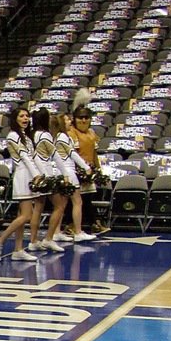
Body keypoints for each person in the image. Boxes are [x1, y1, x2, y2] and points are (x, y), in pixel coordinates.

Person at [0, 106, 42, 262]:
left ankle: (18, 249)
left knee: (22, 214)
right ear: (15, 119)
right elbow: (25, 157)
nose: (25, 118)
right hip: (22, 175)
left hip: (29, 175)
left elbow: (32, 157)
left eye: (27, 116)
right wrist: (37, 175)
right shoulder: (13, 135)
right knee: (27, 215)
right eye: (21, 116)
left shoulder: (25, 135)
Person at [53, 111, 96, 242]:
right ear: (61, 123)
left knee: (62, 204)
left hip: (62, 172)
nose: (70, 122)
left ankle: (56, 231)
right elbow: (72, 153)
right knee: (78, 202)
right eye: (66, 120)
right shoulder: (63, 137)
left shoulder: (59, 136)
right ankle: (78, 232)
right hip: (68, 172)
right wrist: (86, 167)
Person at [68, 90, 108, 234]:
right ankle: (72, 225)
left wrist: (97, 170)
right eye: (80, 118)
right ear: (74, 119)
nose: (83, 121)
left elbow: (94, 153)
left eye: (86, 118)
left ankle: (91, 224)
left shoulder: (91, 133)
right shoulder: (71, 132)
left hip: (89, 172)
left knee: (87, 199)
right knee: (76, 201)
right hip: (75, 172)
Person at [30, 108, 65, 254]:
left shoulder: (33, 134)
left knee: (38, 208)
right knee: (59, 206)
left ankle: (33, 241)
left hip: (37, 175)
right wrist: (66, 174)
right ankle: (49, 238)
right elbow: (55, 156)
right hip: (47, 175)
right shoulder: (45, 135)